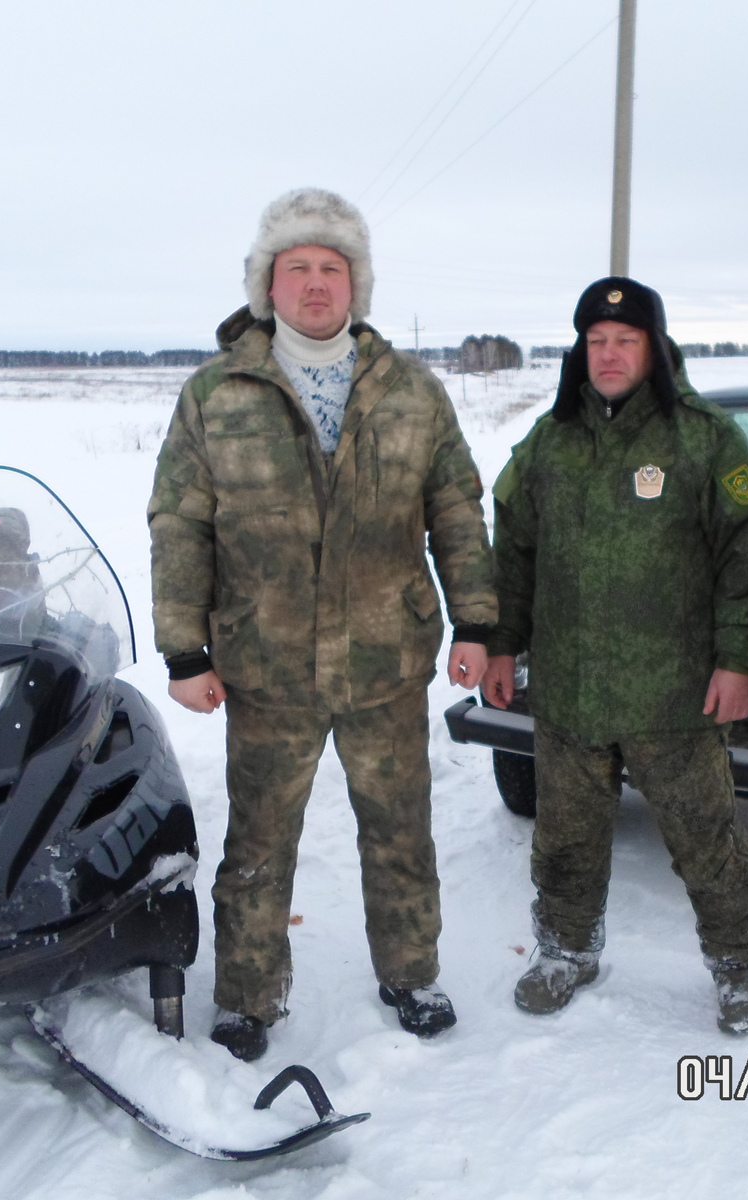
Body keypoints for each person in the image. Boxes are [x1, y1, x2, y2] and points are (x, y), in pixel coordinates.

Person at [148, 189, 495, 1060]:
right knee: (259, 842)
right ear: (267, 283)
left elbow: (456, 511)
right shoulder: (217, 394)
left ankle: (412, 973)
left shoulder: (412, 393)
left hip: (386, 658)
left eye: (330, 268)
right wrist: (183, 647)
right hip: (268, 666)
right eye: (295, 267)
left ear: (356, 285)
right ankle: (247, 997)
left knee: (401, 828)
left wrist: (478, 623)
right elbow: (179, 523)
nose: (313, 284)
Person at [481, 277, 748, 1034]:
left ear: (655, 348)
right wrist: (501, 643)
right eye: (596, 341)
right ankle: (565, 949)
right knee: (564, 838)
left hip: (674, 697)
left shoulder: (703, 438)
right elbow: (512, 546)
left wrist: (740, 658)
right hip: (571, 694)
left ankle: (740, 962)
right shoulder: (549, 441)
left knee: (707, 842)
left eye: (626, 340)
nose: (609, 354)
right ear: (580, 352)